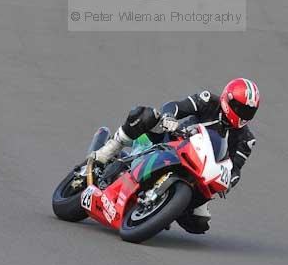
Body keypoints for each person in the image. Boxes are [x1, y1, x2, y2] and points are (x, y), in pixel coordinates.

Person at [93, 77, 260, 234]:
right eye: (239, 108)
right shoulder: (209, 101)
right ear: (227, 99)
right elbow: (176, 106)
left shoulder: (246, 140)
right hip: (174, 142)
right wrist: (169, 117)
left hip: (201, 172)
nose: (243, 114)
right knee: (147, 115)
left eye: (248, 111)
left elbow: (235, 168)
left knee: (199, 223)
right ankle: (108, 150)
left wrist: (230, 180)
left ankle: (160, 206)